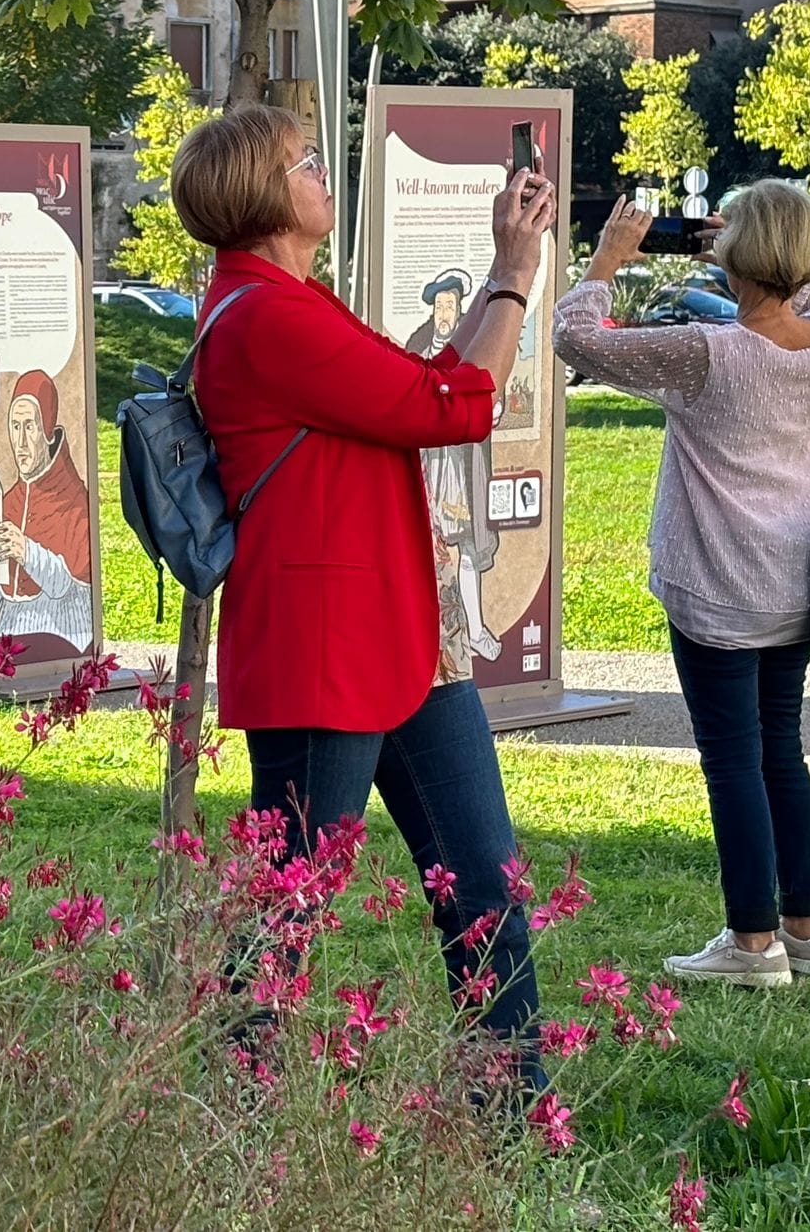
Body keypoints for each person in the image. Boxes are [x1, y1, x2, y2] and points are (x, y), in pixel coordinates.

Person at [176, 106, 555, 1081]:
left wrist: (494, 271)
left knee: (483, 891)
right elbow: (459, 406)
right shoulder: (263, 315)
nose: (319, 170)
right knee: (287, 914)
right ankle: (238, 1131)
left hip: (403, 643)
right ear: (264, 194)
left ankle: (511, 1126)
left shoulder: (294, 300)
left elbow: (429, 378)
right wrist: (514, 272)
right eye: (303, 161)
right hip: (324, 656)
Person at [554, 182, 810, 988]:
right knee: (780, 752)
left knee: (732, 761)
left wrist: (607, 260)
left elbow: (575, 340)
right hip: (798, 584)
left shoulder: (705, 351)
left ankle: (752, 942)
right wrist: (775, 245)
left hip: (718, 588)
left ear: (735, 261)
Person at [0, 369, 95, 653]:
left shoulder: (74, 499)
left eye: (30, 426)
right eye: (15, 426)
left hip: (61, 638)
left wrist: (26, 552)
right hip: (9, 641)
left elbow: (70, 589)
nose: (20, 442)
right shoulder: (8, 502)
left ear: (46, 430)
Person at [405, 271, 502, 661]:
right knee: (426, 550)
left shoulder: (474, 344)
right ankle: (430, 638)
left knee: (464, 550)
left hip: (459, 467)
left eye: (451, 304)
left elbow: (492, 390)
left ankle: (475, 630)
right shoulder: (416, 343)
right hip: (427, 463)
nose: (445, 312)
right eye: (440, 305)